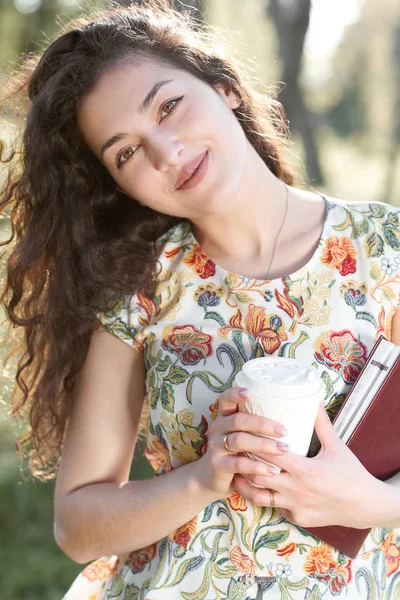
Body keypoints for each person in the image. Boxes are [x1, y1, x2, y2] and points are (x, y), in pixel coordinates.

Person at [1, 1, 399, 598]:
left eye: (169, 105)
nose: (165, 150)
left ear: (224, 88)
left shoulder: (387, 248)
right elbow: (78, 525)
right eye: (125, 153)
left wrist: (367, 500)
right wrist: (204, 478)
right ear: (116, 183)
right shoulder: (141, 290)